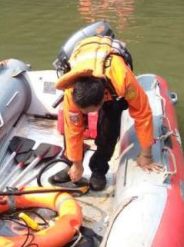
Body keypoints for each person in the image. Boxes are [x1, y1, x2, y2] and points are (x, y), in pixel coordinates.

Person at [51, 36, 163, 191]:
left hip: (111, 72)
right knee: (71, 122)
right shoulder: (72, 91)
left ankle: (99, 168)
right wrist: (77, 163)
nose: (85, 114)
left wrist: (146, 155)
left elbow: (142, 114)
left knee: (109, 127)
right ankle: (71, 164)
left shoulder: (123, 81)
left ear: (103, 99)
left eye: (89, 111)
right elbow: (73, 129)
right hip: (87, 63)